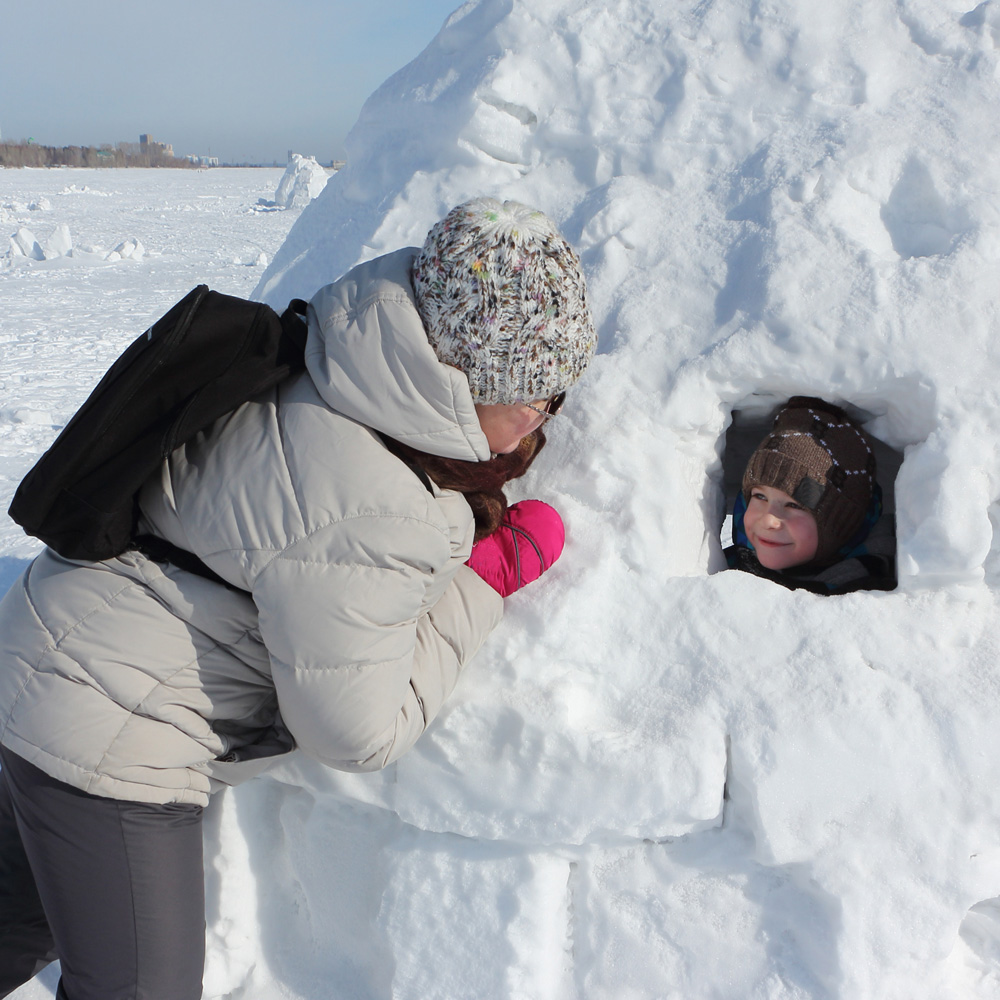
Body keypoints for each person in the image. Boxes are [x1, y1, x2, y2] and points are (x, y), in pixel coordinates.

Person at [0, 197, 596, 998]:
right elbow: (354, 732)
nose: (541, 417)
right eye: (533, 392)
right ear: (463, 377)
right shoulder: (380, 505)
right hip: (112, 732)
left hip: (42, 647)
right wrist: (483, 582)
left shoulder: (329, 347)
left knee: (17, 921)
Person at [724, 396, 897, 594]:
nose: (769, 520)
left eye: (795, 505)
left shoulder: (875, 599)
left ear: (841, 525)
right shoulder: (722, 570)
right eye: (760, 497)